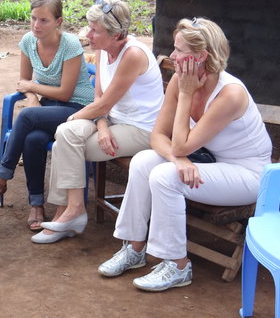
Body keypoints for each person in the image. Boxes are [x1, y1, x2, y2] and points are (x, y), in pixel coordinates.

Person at [97, 17, 272, 292]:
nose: (174, 56)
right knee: (144, 162)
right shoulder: (180, 80)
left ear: (201, 56)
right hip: (210, 161)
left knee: (167, 177)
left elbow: (180, 146)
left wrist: (187, 96)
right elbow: (158, 136)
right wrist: (178, 158)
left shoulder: (230, 94)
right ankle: (134, 248)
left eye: (180, 51)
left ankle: (178, 266)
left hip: (248, 175)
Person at [31, 0, 164, 244]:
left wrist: (73, 116)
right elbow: (100, 97)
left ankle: (68, 213)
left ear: (116, 35)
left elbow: (102, 104)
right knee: (67, 134)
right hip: (111, 118)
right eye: (89, 27)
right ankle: (71, 211)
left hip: (141, 129)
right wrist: (101, 125)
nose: (88, 35)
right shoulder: (102, 50)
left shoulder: (133, 55)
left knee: (66, 139)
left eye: (95, 30)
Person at [0, 0, 95, 231]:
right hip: (47, 108)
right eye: (33, 19)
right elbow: (23, 81)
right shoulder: (28, 41)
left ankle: (1, 177)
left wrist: (32, 88)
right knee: (33, 139)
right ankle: (36, 205)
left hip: (77, 109)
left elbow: (66, 93)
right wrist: (31, 97)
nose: (36, 25)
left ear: (58, 22)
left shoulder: (69, 44)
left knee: (27, 118)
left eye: (44, 20)